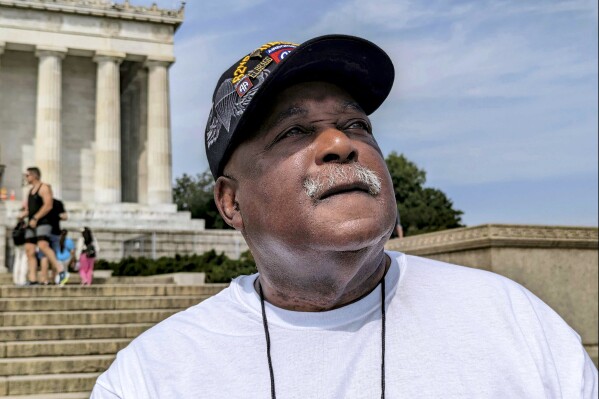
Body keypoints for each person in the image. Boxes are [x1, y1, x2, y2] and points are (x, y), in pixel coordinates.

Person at [92, 35, 597, 398]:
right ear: (231, 202)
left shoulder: (516, 324)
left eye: (357, 124)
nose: (340, 144)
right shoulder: (152, 377)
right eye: (293, 132)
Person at [20, 167, 69, 286]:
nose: (26, 178)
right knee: (29, 249)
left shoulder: (44, 187)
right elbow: (29, 209)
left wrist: (36, 217)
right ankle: (32, 279)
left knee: (43, 245)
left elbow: (48, 205)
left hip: (43, 222)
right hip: (31, 223)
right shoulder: (30, 191)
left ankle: (61, 270)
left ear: (34, 175)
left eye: (27, 175)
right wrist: (22, 216)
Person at [39, 198, 69, 283]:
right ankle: (55, 278)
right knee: (54, 256)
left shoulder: (42, 201)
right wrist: (57, 216)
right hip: (55, 232)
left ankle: (44, 279)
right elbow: (65, 216)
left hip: (44, 232)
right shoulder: (58, 202)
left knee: (44, 256)